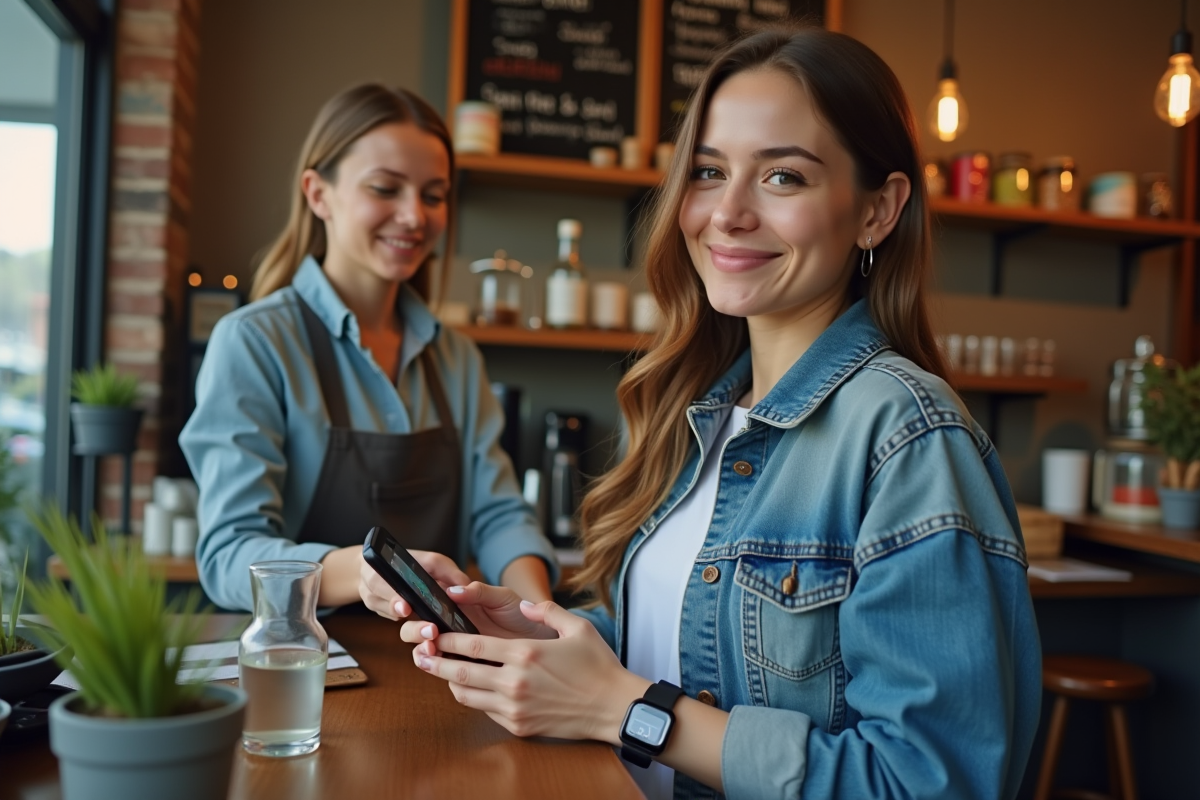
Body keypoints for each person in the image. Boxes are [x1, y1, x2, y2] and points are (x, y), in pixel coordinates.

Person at [383, 26, 1041, 800]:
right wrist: (538, 636)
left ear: (878, 210)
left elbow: (931, 782)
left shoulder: (908, 435)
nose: (726, 213)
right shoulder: (707, 410)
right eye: (707, 171)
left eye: (784, 177)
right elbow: (692, 644)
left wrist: (622, 707)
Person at [180, 84, 556, 613]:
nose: (414, 217)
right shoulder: (255, 342)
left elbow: (498, 517)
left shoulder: (457, 359)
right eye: (385, 188)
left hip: (441, 664)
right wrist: (364, 571)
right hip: (305, 664)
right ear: (318, 194)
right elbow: (229, 556)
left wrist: (541, 614)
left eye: (433, 195)